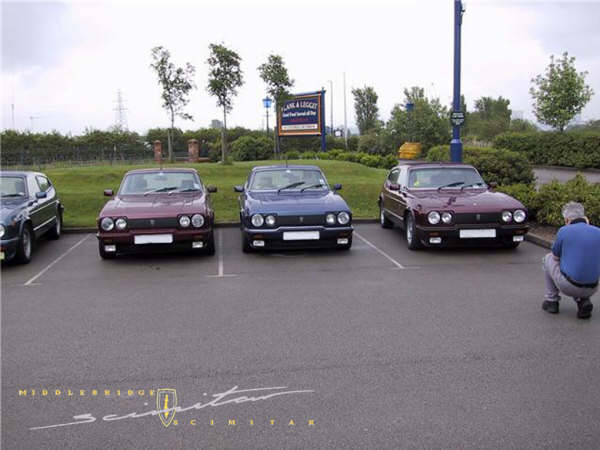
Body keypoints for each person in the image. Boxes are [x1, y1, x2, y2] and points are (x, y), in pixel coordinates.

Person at [542, 202, 600, 319]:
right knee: (583, 265)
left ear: (567, 219)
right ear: (584, 217)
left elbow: (555, 257)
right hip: (593, 287)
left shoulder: (564, 231)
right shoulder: (598, 231)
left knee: (547, 259)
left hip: (569, 286)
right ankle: (583, 301)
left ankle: (551, 301)